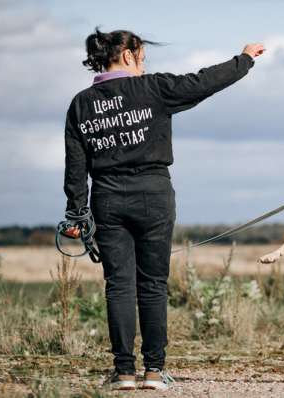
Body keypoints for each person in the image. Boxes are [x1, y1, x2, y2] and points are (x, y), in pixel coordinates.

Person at [62, 28, 264, 391]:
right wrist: (244, 59)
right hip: (153, 195)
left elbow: (76, 168)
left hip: (106, 198)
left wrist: (76, 213)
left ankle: (123, 372)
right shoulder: (153, 88)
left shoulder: (80, 103)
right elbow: (202, 83)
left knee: (118, 286)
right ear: (128, 55)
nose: (144, 63)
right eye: (142, 56)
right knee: (153, 285)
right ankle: (154, 371)